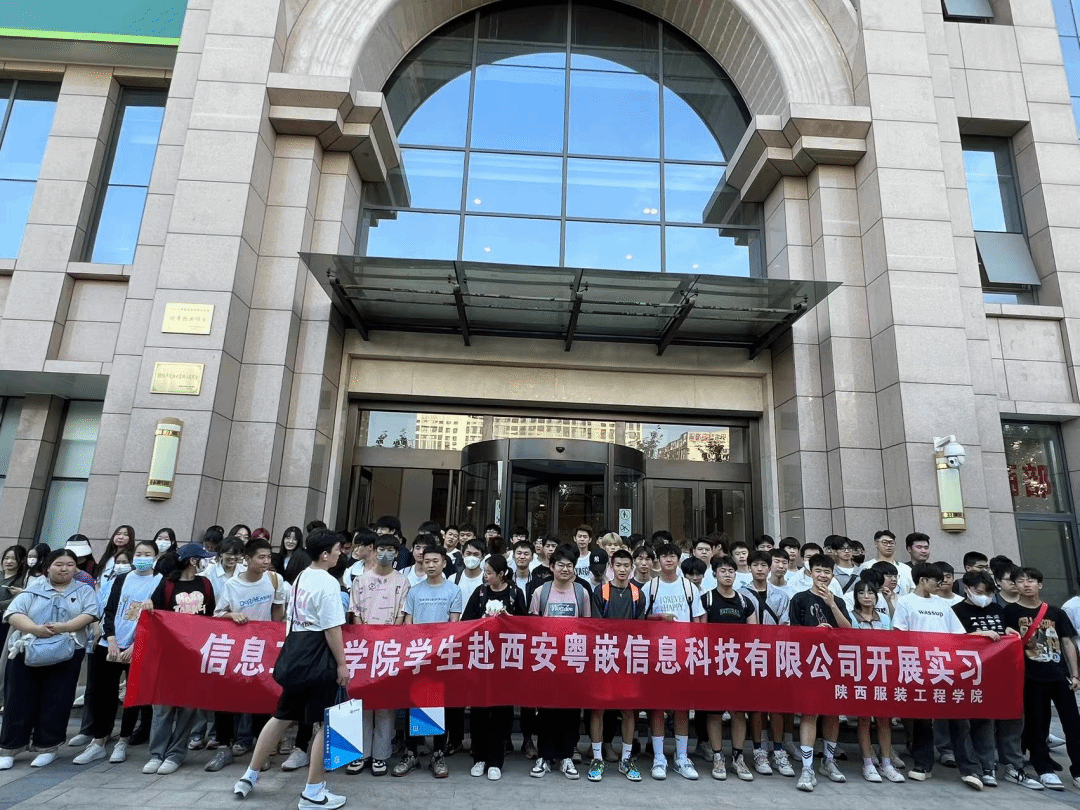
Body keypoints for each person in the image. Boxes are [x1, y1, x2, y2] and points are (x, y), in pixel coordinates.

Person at [231, 528, 349, 809]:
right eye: (337, 550)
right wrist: (342, 664)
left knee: (282, 715)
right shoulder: (328, 583)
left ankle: (249, 776)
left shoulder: (301, 576)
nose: (339, 554)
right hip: (318, 657)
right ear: (325, 554)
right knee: (325, 722)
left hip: (296, 653)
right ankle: (313, 791)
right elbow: (332, 628)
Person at [0, 548, 99, 770]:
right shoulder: (33, 589)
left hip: (67, 651)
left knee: (56, 699)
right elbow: (13, 614)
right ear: (47, 567)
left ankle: (47, 747)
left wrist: (65, 626)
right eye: (59, 564)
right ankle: (11, 747)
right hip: (28, 648)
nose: (65, 569)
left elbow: (90, 614)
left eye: (70, 565)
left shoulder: (84, 590)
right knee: (18, 698)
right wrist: (35, 629)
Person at [893, 562, 983, 790]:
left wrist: (983, 635)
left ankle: (970, 768)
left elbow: (959, 635)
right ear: (923, 580)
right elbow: (899, 635)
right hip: (919, 667)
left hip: (946, 668)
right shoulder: (905, 602)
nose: (940, 584)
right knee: (922, 719)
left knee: (958, 718)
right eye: (936, 580)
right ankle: (923, 765)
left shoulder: (943, 604)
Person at [952, 570, 1043, 790]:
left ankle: (1013, 766)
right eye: (979, 592)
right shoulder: (956, 610)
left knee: (1012, 718)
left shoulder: (996, 609)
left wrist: (1007, 631)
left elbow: (1002, 632)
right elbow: (952, 640)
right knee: (982, 721)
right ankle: (985, 766)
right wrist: (978, 635)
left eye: (988, 593)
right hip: (973, 673)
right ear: (967, 589)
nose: (984, 597)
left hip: (1001, 672)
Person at [73, 540, 161, 766]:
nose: (142, 557)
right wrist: (110, 638)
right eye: (139, 553)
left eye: (147, 554)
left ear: (155, 557)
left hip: (139, 647)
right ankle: (99, 740)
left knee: (132, 695)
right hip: (110, 644)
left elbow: (158, 619)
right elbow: (110, 610)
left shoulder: (160, 582)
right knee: (104, 693)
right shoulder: (122, 578)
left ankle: (123, 740)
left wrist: (135, 645)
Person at [205, 537, 289, 772]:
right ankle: (224, 746)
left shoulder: (274, 580)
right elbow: (218, 613)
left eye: (268, 557)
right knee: (226, 696)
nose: (266, 561)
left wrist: (274, 634)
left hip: (262, 648)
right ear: (247, 559)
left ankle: (261, 751)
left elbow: (277, 610)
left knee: (261, 697)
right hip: (236, 648)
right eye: (261, 557)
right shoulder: (233, 585)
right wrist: (232, 615)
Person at [1002, 566, 1080, 791]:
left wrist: (1075, 674)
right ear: (1015, 586)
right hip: (1030, 676)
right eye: (1021, 581)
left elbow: (1067, 642)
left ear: (1040, 584)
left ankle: (1078, 769)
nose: (1026, 584)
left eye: (1031, 580)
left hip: (1060, 676)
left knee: (1073, 725)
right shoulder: (1010, 611)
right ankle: (1043, 768)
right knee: (1037, 724)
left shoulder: (1055, 612)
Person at [143, 542, 217, 774]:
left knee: (187, 707)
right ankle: (157, 753)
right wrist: (148, 605)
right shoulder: (167, 584)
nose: (206, 562)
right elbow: (155, 611)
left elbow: (211, 615)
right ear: (192, 561)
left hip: (194, 653)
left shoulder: (205, 584)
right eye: (202, 558)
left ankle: (176, 754)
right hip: (169, 654)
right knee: (162, 707)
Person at [394, 546, 462, 779]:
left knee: (439, 705)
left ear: (444, 563)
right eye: (427, 561)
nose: (431, 565)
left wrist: (437, 649)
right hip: (417, 655)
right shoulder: (414, 591)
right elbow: (409, 623)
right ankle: (411, 753)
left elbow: (453, 624)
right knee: (413, 703)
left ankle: (438, 754)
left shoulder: (453, 590)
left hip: (441, 656)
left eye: (435, 561)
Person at [347, 532, 409, 777]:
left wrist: (389, 638)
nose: (385, 554)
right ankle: (360, 754)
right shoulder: (361, 581)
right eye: (381, 549)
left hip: (390, 647)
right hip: (364, 647)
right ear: (374, 551)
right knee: (362, 700)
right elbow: (355, 612)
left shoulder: (402, 581)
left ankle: (381, 755)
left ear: (396, 554)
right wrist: (366, 637)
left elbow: (402, 613)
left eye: (390, 550)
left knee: (384, 703)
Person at [788, 553, 851, 791]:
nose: (822, 575)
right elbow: (793, 634)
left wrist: (832, 604)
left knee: (832, 713)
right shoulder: (799, 599)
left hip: (835, 664)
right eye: (818, 571)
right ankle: (807, 768)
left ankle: (829, 761)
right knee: (810, 713)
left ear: (832, 575)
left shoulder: (839, 601)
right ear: (810, 573)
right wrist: (814, 632)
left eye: (827, 572)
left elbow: (848, 630)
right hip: (810, 664)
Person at [529, 545, 591, 780]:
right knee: (545, 711)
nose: (565, 569)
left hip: (572, 660)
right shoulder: (541, 592)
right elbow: (532, 626)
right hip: (546, 660)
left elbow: (588, 626)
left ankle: (566, 756)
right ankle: (544, 756)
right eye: (561, 565)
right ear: (552, 567)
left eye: (569, 565)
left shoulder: (582, 593)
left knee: (570, 711)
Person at [462, 555, 526, 781]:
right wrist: (481, 621)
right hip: (481, 659)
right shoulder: (479, 593)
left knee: (501, 711)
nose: (485, 576)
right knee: (479, 710)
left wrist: (509, 619)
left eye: (489, 572)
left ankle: (496, 760)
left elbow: (526, 626)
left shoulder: (515, 593)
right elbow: (465, 622)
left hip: (506, 661)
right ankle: (479, 757)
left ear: (501, 574)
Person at [587, 548, 648, 783]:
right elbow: (596, 626)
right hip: (604, 657)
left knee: (628, 710)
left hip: (629, 659)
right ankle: (597, 758)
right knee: (598, 709)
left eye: (626, 565)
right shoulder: (600, 591)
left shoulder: (638, 594)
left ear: (632, 568)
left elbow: (640, 629)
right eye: (618, 565)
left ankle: (626, 759)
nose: (622, 569)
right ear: (611, 567)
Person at [646, 542, 704, 781]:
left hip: (684, 654)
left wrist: (697, 652)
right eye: (664, 556)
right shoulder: (650, 586)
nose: (668, 560)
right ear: (658, 561)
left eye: (672, 556)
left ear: (679, 560)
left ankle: (681, 757)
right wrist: (659, 617)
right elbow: (642, 619)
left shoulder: (689, 587)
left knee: (682, 707)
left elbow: (698, 620)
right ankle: (659, 757)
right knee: (658, 707)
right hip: (657, 655)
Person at [703, 555, 757, 782]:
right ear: (715, 574)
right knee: (714, 714)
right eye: (723, 571)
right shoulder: (706, 599)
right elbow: (700, 634)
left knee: (738, 712)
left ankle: (737, 757)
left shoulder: (745, 602)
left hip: (738, 665)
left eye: (731, 571)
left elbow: (754, 634)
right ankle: (718, 756)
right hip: (714, 665)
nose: (727, 575)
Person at [848, 579, 905, 784]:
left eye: (871, 593)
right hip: (861, 674)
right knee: (864, 719)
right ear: (856, 597)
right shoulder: (851, 617)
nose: (867, 596)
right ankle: (868, 763)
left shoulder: (884, 619)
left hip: (882, 674)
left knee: (884, 719)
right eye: (861, 593)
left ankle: (886, 763)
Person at [862, 530, 914, 595]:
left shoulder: (906, 568)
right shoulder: (866, 566)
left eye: (892, 543)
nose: (889, 545)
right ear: (876, 544)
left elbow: (912, 590)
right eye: (885, 542)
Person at [203, 536, 243, 602]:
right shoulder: (209, 573)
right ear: (221, 553)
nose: (232, 557)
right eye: (229, 554)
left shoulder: (245, 571)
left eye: (236, 554)